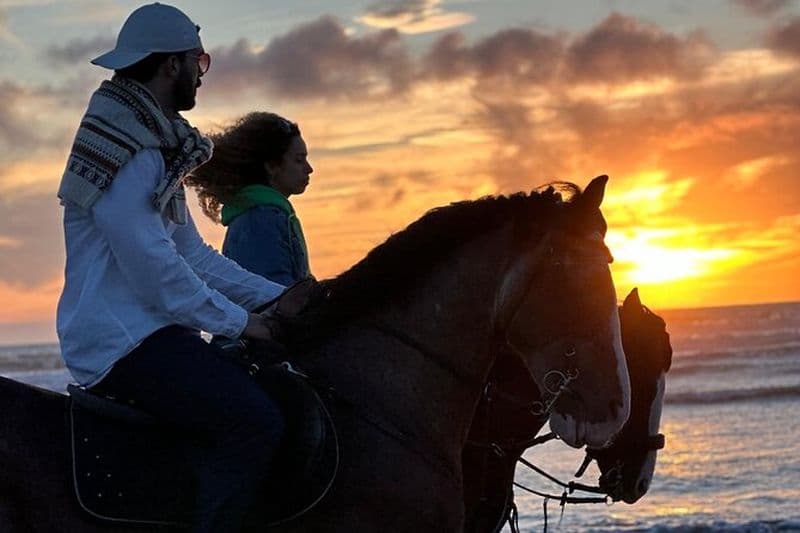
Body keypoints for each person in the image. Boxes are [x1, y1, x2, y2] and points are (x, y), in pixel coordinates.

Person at [56, 4, 285, 532]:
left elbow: (194, 256)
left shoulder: (153, 140)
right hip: (124, 342)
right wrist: (243, 322)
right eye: (197, 62)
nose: (201, 76)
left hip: (151, 334)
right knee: (255, 423)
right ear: (170, 66)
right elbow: (156, 271)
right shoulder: (131, 149)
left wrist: (278, 296)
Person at [187, 112, 314, 286]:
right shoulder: (261, 218)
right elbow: (276, 297)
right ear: (271, 166)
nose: (309, 169)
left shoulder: (264, 214)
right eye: (299, 160)